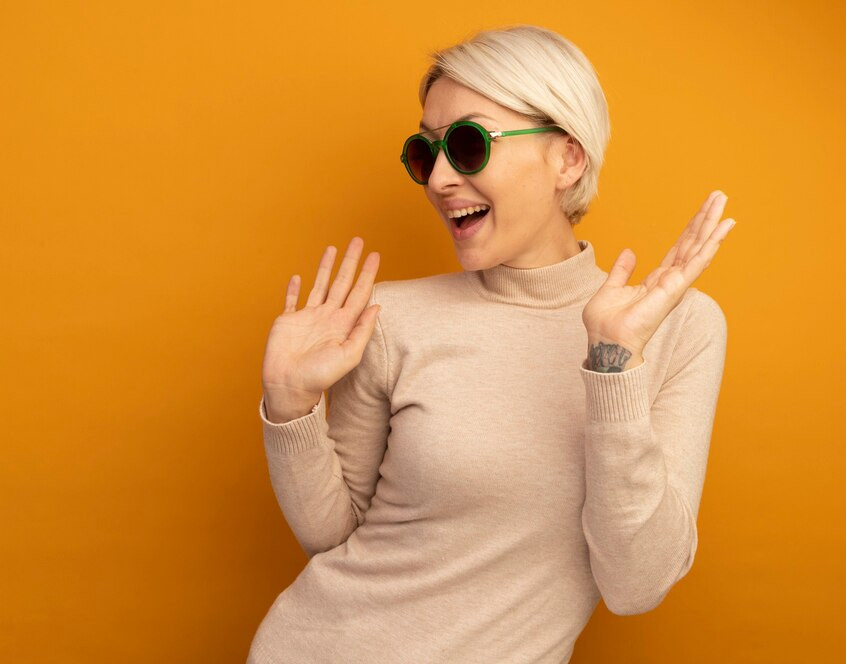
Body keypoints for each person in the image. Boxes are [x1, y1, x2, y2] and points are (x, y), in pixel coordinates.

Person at [248, 24, 735, 664]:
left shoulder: (678, 328)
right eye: (426, 153)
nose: (439, 178)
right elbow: (335, 536)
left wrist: (613, 367)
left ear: (568, 158)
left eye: (469, 144)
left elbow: (636, 584)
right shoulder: (389, 320)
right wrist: (290, 405)